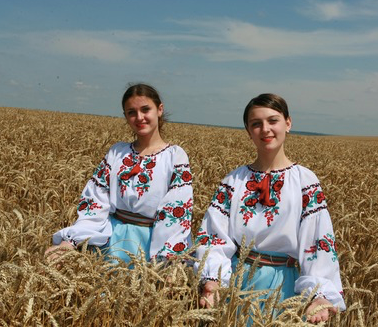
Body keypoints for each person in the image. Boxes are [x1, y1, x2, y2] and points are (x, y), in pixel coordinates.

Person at [195, 93, 345, 323]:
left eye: (273, 121)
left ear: (288, 123)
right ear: (248, 131)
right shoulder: (234, 180)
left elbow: (317, 241)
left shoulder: (305, 181)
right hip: (236, 284)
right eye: (256, 124)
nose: (265, 129)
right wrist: (213, 280)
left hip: (284, 289)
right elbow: (214, 234)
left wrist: (320, 294)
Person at [45, 83, 193, 264]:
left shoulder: (175, 156)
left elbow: (177, 210)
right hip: (111, 242)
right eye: (132, 112)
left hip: (153, 244)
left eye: (145, 109)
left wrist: (168, 260)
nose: (139, 117)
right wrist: (72, 240)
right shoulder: (117, 152)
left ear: (159, 110)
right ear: (125, 116)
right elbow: (95, 200)